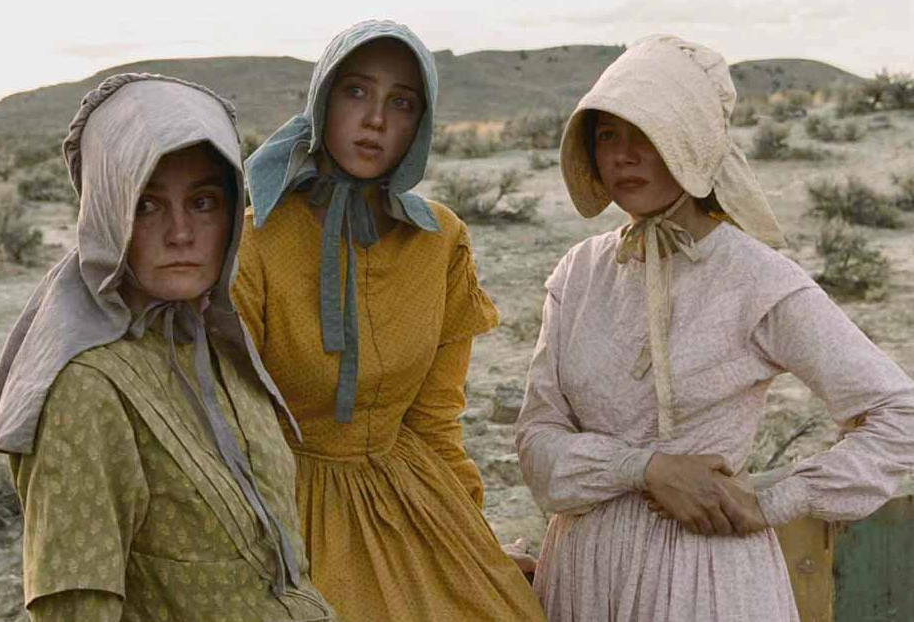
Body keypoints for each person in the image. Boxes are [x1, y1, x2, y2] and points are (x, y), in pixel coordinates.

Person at [515, 35, 914, 622]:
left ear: (691, 138)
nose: (623, 156)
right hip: (583, 571)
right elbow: (536, 442)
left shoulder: (755, 276)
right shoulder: (580, 273)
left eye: (646, 133)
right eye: (607, 135)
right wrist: (645, 469)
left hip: (704, 577)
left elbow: (898, 415)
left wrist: (777, 497)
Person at [0, 73, 335, 622]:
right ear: (107, 212)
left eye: (203, 202)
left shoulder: (215, 341)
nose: (181, 233)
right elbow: (77, 609)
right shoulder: (88, 392)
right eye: (147, 205)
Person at [231, 19, 547, 622]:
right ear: (323, 100)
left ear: (419, 124)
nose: (375, 119)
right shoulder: (254, 243)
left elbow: (435, 418)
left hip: (410, 495)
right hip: (286, 511)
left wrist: (474, 539)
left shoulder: (440, 240)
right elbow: (230, 430)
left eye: (401, 102)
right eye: (356, 91)